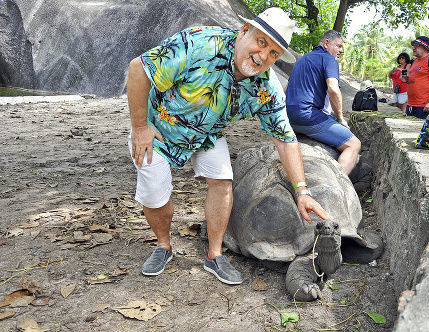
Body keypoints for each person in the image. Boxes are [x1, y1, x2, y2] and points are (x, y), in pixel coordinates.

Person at [126, 7, 333, 285]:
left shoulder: (266, 88)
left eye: (273, 53)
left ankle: (214, 255)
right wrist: (140, 128)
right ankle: (163, 246)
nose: (263, 57)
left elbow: (285, 139)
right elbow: (138, 69)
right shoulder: (198, 44)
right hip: (159, 126)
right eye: (261, 43)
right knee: (154, 193)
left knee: (223, 180)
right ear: (244, 31)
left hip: (207, 131)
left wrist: (302, 191)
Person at [285, 30, 361, 176]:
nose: (341, 50)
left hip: (288, 117)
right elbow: (333, 89)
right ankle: (339, 181)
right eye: (338, 46)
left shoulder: (302, 59)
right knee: (354, 144)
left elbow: (286, 89)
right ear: (326, 43)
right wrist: (339, 118)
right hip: (308, 117)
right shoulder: (329, 59)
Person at [402, 36, 429, 119]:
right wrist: (405, 79)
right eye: (413, 46)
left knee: (421, 131)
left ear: (425, 47)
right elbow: (414, 80)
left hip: (424, 106)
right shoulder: (413, 61)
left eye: (416, 46)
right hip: (410, 105)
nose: (413, 48)